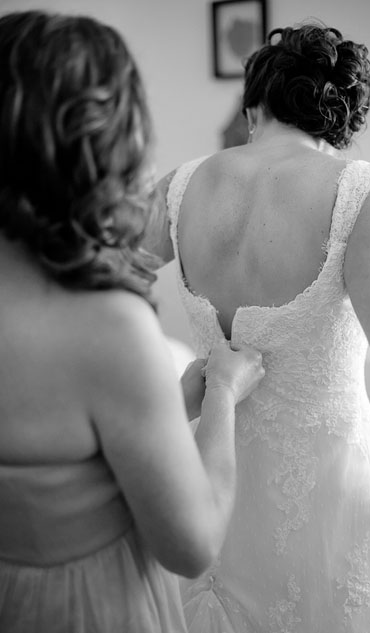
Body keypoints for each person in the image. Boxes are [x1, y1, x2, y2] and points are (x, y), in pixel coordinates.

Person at [142, 23, 370, 632]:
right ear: (341, 121)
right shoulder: (359, 192)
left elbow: (102, 280)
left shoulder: (181, 187)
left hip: (208, 479)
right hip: (325, 495)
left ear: (253, 107)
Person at [0, 11, 265, 633]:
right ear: (107, 148)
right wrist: (224, 393)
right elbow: (191, 542)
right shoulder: (107, 327)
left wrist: (168, 406)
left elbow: (61, 456)